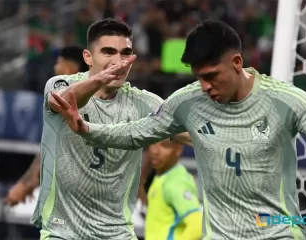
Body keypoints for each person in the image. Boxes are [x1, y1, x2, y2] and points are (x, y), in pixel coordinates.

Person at [51, 20, 306, 239]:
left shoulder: (285, 100)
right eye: (197, 77)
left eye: (211, 76)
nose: (204, 86)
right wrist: (86, 129)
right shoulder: (187, 102)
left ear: (236, 63)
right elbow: (137, 132)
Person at [30, 18, 190, 240]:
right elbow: (62, 101)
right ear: (88, 57)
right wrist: (100, 79)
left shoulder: (143, 103)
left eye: (125, 53)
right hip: (61, 231)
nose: (119, 61)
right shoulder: (60, 84)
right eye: (108, 52)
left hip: (117, 234)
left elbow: (194, 133)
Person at [5, 46, 89, 207]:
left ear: (72, 68)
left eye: (59, 62)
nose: (55, 68)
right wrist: (29, 181)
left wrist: (26, 183)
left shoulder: (70, 103)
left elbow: (50, 147)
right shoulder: (81, 98)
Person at [145, 138, 202, 240]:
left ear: (178, 149)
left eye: (164, 145)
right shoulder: (162, 176)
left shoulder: (176, 182)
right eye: (152, 143)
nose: (155, 150)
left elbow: (197, 226)